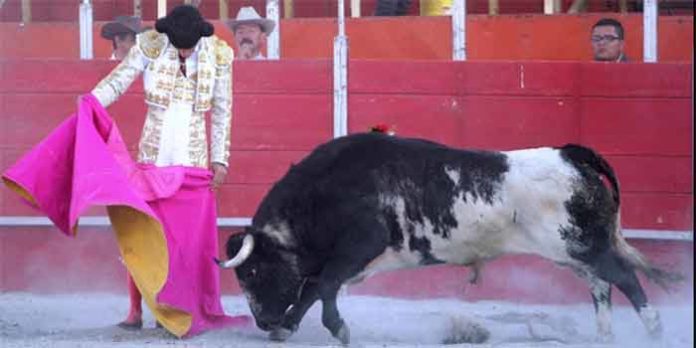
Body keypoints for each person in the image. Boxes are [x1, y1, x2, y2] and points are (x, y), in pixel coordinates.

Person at [88, 5, 246, 335]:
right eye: (180, 45)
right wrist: (91, 102)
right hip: (152, 157)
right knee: (142, 233)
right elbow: (117, 82)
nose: (184, 51)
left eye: (189, 46)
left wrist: (221, 159)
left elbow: (222, 110)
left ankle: (175, 308)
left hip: (194, 161)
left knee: (187, 243)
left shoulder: (218, 55)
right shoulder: (151, 45)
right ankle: (134, 311)